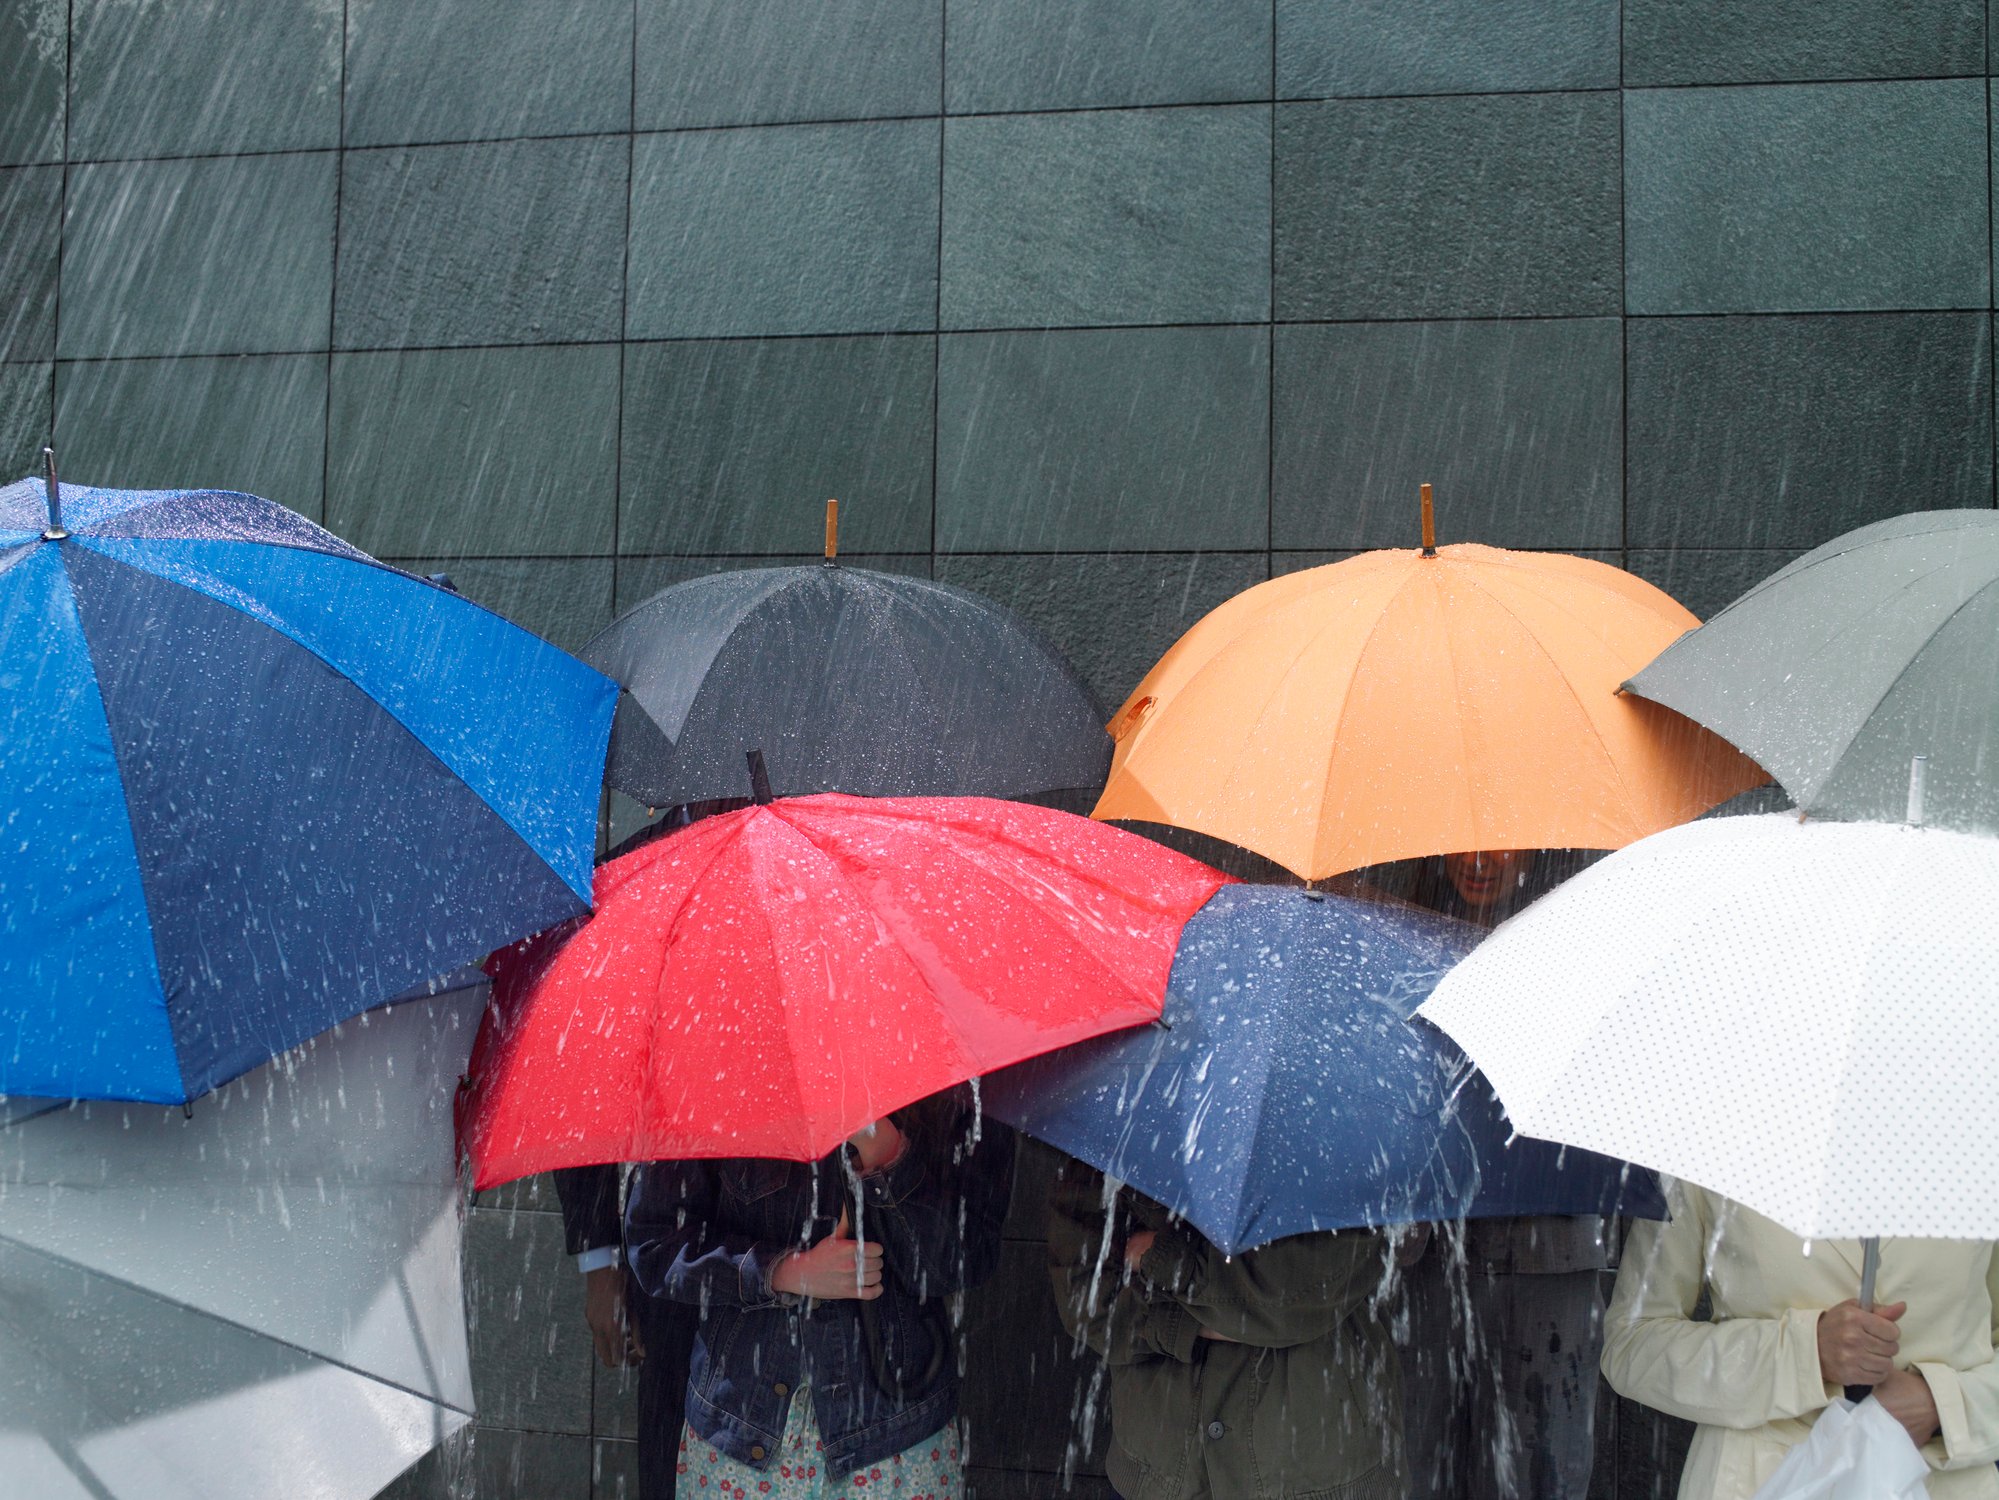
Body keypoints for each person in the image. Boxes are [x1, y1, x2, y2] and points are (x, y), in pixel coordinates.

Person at [624, 1090, 1014, 1498]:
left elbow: (964, 1262)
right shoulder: (716, 1078)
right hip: (738, 1435)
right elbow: (656, 1244)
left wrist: (884, 1151)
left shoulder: (950, 1085)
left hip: (895, 1441)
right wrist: (785, 1271)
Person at [1399, 849, 1610, 1500]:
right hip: (1428, 1243)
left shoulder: (1582, 942)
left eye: (1499, 843)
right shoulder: (1406, 940)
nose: (1478, 861)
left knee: (1540, 1460)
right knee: (1414, 1452)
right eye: (1463, 842)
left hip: (1549, 1246)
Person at [1602, 1180, 1999, 1498]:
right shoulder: (1714, 1131)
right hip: (1755, 1478)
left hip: (1944, 1481)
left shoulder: (1983, 1132)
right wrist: (1803, 1353)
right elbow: (1633, 1341)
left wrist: (1944, 1404)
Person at [1046, 1157, 1406, 1500]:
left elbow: (1317, 1279)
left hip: (1319, 1471)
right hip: (1160, 1473)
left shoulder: (1347, 1122)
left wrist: (1167, 1260)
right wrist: (1184, 1323)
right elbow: (1084, 1293)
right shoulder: (1124, 1113)